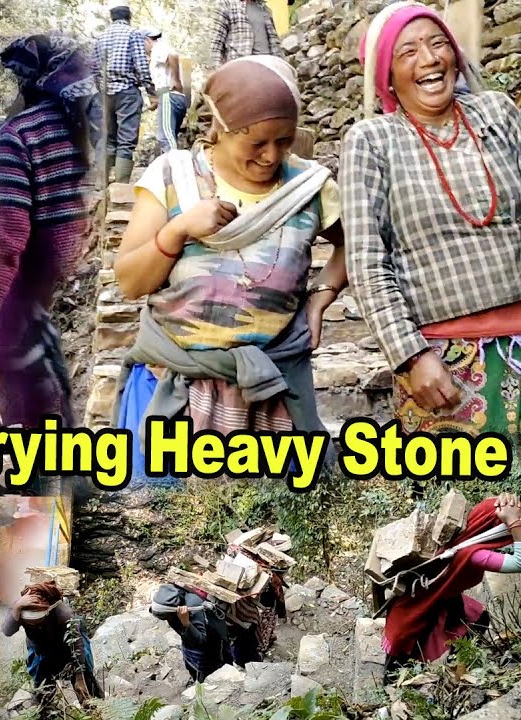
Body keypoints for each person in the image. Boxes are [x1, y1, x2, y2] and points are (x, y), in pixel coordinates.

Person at [110, 56, 347, 479]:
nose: (271, 155)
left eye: (284, 141)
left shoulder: (308, 185)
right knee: (163, 533)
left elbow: (353, 247)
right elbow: (130, 281)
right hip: (176, 385)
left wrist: (320, 298)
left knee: (268, 532)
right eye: (256, 142)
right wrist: (179, 229)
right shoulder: (174, 177)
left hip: (270, 388)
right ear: (219, 126)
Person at [343, 2, 521, 479]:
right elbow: (365, 260)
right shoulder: (372, 141)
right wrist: (410, 355)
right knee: (463, 518)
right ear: (387, 74)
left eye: (438, 43)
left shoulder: (497, 113)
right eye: (409, 51)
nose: (429, 59)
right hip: (442, 363)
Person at [0, 33, 101, 433]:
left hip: (40, 302)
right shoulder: (115, 128)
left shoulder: (23, 133)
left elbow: (0, 241)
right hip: (104, 299)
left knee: (37, 429)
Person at [384, 495, 521, 670]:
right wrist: (514, 522)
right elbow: (519, 562)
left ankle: (457, 664)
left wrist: (508, 501)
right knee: (403, 658)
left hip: (440, 596)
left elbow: (493, 504)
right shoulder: (472, 554)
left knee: (477, 619)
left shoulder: (463, 532)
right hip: (419, 606)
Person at [2, 581, 100, 699]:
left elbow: (77, 645)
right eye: (29, 622)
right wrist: (17, 608)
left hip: (67, 646)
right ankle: (45, 709)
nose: (33, 625)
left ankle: (96, 706)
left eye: (37, 620)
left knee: (86, 684)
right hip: (40, 649)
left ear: (47, 612)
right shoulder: (19, 608)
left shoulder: (64, 614)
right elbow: (7, 631)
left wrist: (80, 678)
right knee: (43, 689)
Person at [94, 3, 155, 184]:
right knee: (126, 141)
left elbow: (94, 68)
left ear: (112, 18)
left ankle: (101, 184)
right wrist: (151, 92)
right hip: (127, 91)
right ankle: (120, 187)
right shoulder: (133, 34)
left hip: (105, 94)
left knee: (107, 138)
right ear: (129, 17)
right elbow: (141, 66)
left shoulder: (101, 37)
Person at [150, 584, 230, 683]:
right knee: (192, 667)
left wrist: (186, 622)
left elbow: (202, 641)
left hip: (210, 646)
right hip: (189, 643)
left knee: (210, 676)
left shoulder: (193, 605)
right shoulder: (172, 610)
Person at [145, 28, 189, 154]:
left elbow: (173, 56)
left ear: (147, 40)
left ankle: (176, 169)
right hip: (172, 97)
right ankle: (172, 169)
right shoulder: (158, 50)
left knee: (165, 137)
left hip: (169, 96)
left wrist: (176, 79)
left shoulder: (157, 49)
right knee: (170, 136)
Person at [210, 0, 285, 68]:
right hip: (240, 64)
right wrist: (217, 69)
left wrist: (281, 63)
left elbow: (274, 41)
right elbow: (217, 43)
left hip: (267, 64)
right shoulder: (227, 5)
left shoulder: (264, 9)